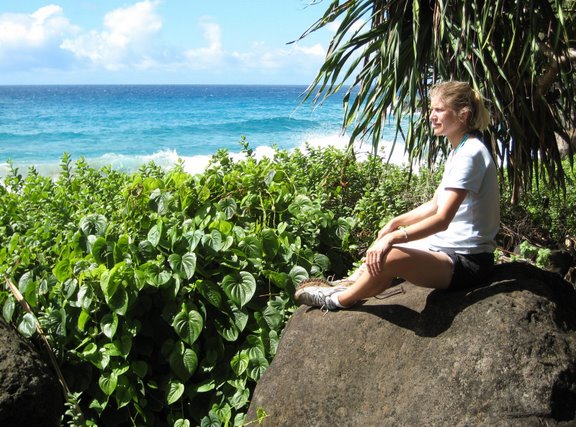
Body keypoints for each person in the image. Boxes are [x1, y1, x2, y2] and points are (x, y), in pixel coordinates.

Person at [295, 81, 500, 311]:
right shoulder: (460, 150)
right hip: (447, 248)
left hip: (468, 261)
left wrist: (393, 238)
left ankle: (335, 300)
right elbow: (435, 204)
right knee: (386, 244)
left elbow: (442, 218)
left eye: (439, 110)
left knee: (389, 254)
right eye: (431, 109)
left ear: (463, 115)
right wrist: (394, 223)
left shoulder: (470, 154)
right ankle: (352, 282)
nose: (432, 116)